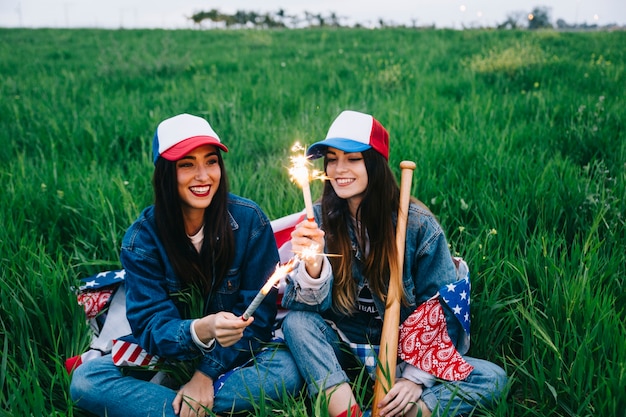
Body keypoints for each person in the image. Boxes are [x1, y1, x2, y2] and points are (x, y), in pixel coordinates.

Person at [70, 113, 303, 417]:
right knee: (86, 381)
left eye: (211, 161)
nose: (203, 175)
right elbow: (150, 326)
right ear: (166, 174)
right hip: (168, 352)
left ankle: (175, 403)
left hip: (235, 354)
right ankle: (193, 405)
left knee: (287, 372)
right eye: (187, 165)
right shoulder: (142, 239)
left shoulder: (249, 222)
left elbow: (258, 320)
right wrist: (200, 329)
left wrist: (205, 374)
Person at [281, 110, 507, 417]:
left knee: (492, 379)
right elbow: (307, 312)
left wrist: (416, 379)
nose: (338, 169)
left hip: (404, 350)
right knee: (297, 324)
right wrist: (312, 266)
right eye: (332, 159)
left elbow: (441, 308)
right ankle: (346, 410)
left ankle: (408, 411)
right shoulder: (319, 219)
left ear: (375, 163)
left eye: (353, 158)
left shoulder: (417, 225)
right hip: (344, 345)